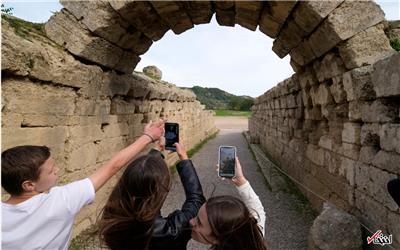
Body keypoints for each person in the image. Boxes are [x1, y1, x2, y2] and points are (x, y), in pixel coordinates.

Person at [1, 120, 165, 250]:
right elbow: (113, 166)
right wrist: (148, 137)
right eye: (51, 171)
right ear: (29, 185)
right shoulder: (60, 202)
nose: (57, 170)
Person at [98, 140, 205, 250]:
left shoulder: (113, 219)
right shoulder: (171, 231)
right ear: (161, 192)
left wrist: (155, 152)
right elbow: (197, 200)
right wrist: (184, 158)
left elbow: (142, 183)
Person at [190, 157, 267, 250]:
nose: (191, 221)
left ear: (220, 238)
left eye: (199, 222)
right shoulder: (252, 234)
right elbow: (257, 209)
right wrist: (240, 180)